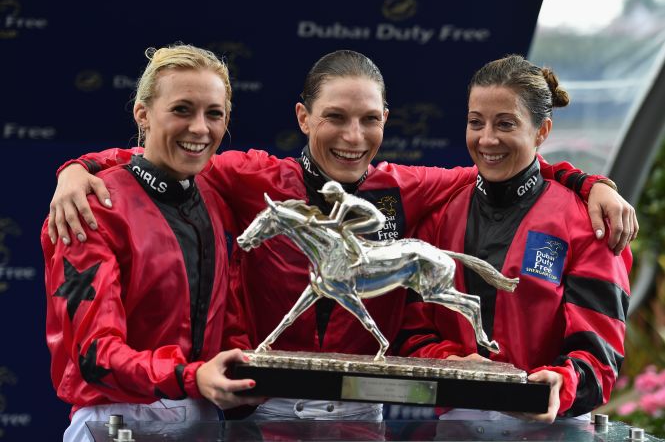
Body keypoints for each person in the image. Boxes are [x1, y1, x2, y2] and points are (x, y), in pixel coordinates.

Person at [46, 50, 637, 421]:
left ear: (386, 120)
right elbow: (169, 157)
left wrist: (589, 183)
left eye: (370, 119)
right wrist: (80, 167)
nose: (353, 137)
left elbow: (506, 167)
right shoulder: (248, 177)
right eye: (335, 117)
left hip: (360, 416)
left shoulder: (409, 186)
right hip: (252, 409)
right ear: (304, 118)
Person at [41, 44, 261, 441]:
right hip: (114, 421)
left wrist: (248, 379)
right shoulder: (90, 206)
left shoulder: (212, 192)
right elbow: (94, 357)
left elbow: (224, 321)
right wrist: (192, 377)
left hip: (205, 418)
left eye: (214, 114)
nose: (199, 128)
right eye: (181, 109)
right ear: (142, 114)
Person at [396, 55, 632, 423]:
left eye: (505, 123)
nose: (487, 139)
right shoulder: (439, 215)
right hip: (453, 425)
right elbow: (412, 332)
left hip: (552, 426)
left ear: (542, 131)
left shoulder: (588, 221)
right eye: (476, 122)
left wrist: (558, 383)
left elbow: (599, 359)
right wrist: (451, 363)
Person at [310, 180, 386, 267]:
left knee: (346, 229)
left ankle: (361, 256)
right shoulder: (339, 201)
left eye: (329, 196)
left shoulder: (346, 203)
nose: (326, 199)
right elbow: (331, 219)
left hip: (377, 220)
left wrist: (316, 223)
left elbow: (336, 223)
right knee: (344, 227)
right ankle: (355, 248)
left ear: (338, 194)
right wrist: (319, 221)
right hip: (371, 217)